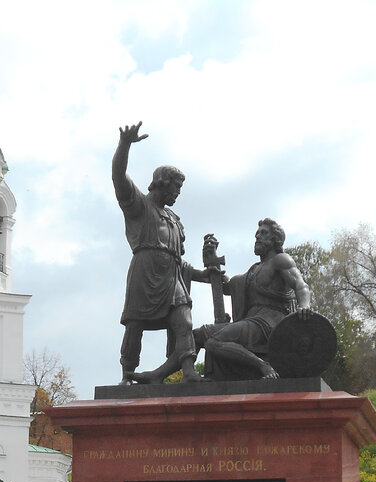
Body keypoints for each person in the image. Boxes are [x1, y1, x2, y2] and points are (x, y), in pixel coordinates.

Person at [113, 122, 211, 384]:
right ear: (162, 184)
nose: (178, 193)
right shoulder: (139, 205)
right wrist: (124, 145)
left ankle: (188, 371)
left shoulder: (174, 219)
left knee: (183, 319)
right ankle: (127, 375)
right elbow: (118, 178)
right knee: (134, 325)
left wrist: (204, 275)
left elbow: (180, 261)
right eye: (175, 188)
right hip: (144, 272)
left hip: (172, 277)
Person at [192, 218, 313, 379]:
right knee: (196, 335)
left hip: (269, 325)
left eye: (263, 233)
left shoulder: (281, 260)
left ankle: (263, 365)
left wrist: (304, 305)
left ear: (275, 239)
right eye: (257, 233)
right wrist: (212, 263)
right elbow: (228, 287)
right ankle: (187, 375)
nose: (258, 237)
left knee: (213, 342)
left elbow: (300, 285)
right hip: (251, 323)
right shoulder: (253, 271)